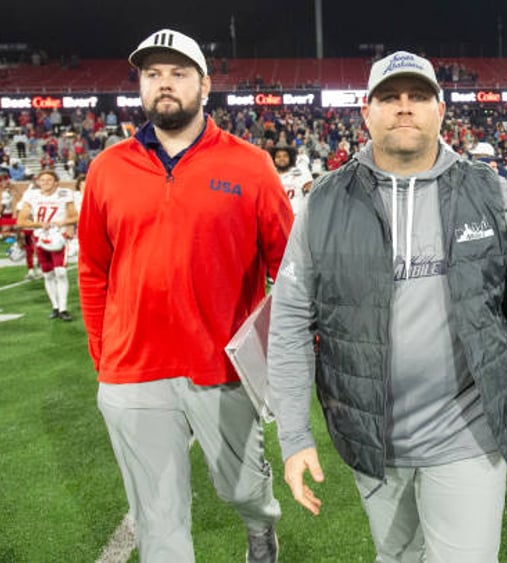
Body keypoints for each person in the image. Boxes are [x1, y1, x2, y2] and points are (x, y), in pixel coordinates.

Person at [267, 50, 507, 562]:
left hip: (470, 426)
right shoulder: (326, 202)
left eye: (418, 97)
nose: (404, 108)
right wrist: (293, 435)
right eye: (389, 98)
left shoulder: (488, 190)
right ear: (366, 111)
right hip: (371, 432)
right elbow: (289, 324)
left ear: (440, 110)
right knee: (396, 556)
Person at [78, 29, 292, 563]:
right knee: (158, 520)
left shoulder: (250, 165)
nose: (164, 85)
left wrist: (274, 354)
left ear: (205, 84)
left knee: (243, 488)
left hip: (222, 369)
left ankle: (260, 524)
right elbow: (93, 270)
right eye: (153, 75)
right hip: (132, 373)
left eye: (177, 73)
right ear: (141, 87)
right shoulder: (107, 168)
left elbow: (289, 270)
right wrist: (103, 355)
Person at [16, 170, 78, 320]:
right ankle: (55, 307)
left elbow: (75, 216)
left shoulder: (64, 194)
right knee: (48, 274)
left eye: (49, 180)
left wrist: (63, 222)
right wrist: (39, 224)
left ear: (56, 182)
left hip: (58, 237)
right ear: (38, 182)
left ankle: (63, 308)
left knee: (61, 272)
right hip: (40, 237)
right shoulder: (32, 195)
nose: (45, 183)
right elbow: (21, 221)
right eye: (42, 180)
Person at [269, 145, 313, 216]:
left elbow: (310, 189)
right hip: (276, 217)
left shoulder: (300, 173)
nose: (282, 159)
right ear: (273, 159)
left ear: (290, 158)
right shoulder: (269, 176)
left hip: (295, 217)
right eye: (278, 157)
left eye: (285, 156)